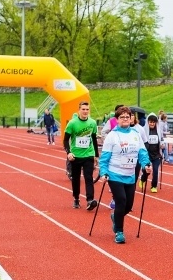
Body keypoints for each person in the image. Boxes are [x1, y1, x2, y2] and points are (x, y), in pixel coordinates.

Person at [99, 107, 151, 244]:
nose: (125, 119)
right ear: (117, 120)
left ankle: (116, 217)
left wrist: (146, 164)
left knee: (128, 206)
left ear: (131, 118)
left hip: (130, 175)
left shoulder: (136, 134)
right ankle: (119, 232)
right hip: (114, 174)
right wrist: (103, 172)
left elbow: (142, 152)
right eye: (122, 117)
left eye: (127, 117)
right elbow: (104, 158)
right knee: (121, 200)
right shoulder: (112, 136)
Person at [63, 101, 99, 210]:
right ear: (79, 110)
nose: (85, 111)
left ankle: (90, 200)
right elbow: (65, 140)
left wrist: (96, 155)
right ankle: (76, 198)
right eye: (83, 109)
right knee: (76, 178)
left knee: (89, 177)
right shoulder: (72, 123)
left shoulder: (92, 123)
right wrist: (69, 153)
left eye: (87, 109)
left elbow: (94, 139)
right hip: (76, 155)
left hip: (88, 154)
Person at [136, 113, 163, 193]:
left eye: (154, 122)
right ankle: (143, 179)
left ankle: (154, 186)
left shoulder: (158, 131)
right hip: (147, 154)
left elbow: (162, 139)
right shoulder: (144, 130)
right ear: (148, 122)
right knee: (147, 171)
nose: (152, 124)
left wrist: (162, 145)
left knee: (155, 171)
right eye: (150, 122)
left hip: (156, 154)